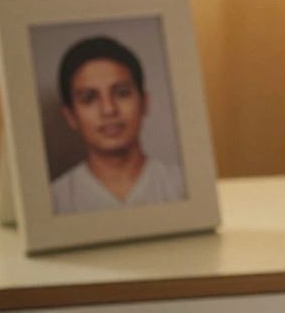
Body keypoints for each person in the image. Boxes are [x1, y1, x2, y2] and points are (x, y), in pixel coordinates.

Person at [50, 36, 185, 215]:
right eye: (89, 98)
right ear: (71, 116)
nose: (108, 110)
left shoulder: (182, 185)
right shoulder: (55, 200)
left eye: (122, 93)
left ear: (144, 103)